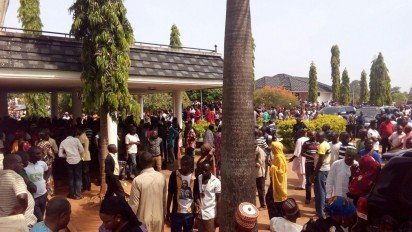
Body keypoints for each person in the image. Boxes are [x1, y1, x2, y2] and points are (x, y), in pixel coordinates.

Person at [129, 151, 166, 232]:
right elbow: (164, 201)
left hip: (142, 222)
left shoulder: (137, 180)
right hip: (159, 219)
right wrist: (164, 215)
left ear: (140, 163)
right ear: (153, 162)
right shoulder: (162, 177)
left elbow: (133, 205)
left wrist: (129, 223)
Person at [0, 154, 37, 231]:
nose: (22, 164)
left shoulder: (2, 176)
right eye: (19, 162)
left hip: (7, 220)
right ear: (10, 164)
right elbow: (22, 196)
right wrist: (22, 209)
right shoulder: (15, 177)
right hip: (22, 222)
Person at [166, 155, 195, 232]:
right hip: (176, 213)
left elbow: (196, 194)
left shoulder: (194, 176)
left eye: (186, 165)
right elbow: (170, 193)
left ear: (190, 165)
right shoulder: (174, 174)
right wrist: (168, 210)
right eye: (182, 165)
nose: (183, 167)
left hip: (190, 213)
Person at [194, 162, 221, 232]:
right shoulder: (198, 178)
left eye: (206, 170)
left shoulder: (216, 182)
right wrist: (198, 203)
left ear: (211, 170)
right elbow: (195, 193)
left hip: (210, 215)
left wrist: (218, 217)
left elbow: (219, 200)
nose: (203, 172)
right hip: (200, 215)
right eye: (202, 170)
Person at [25, 147, 50, 221]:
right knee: (39, 218)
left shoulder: (42, 164)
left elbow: (48, 170)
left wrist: (45, 179)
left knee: (42, 214)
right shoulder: (25, 167)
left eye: (41, 153)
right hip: (33, 197)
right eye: (37, 154)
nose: (40, 155)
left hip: (43, 194)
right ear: (30, 155)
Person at [58, 129, 84, 200]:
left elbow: (60, 155)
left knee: (71, 178)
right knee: (78, 178)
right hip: (77, 160)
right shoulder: (76, 140)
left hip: (69, 161)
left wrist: (67, 156)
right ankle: (78, 195)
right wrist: (77, 154)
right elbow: (82, 150)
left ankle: (71, 194)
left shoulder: (63, 142)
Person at [265, 140, 287, 219]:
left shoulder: (279, 158)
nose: (272, 150)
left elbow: (280, 172)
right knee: (273, 201)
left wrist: (272, 166)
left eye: (273, 148)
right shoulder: (278, 156)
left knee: (271, 201)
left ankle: (275, 220)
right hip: (275, 182)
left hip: (277, 184)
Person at [312, 131, 331, 218]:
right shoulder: (326, 143)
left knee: (320, 192)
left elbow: (320, 161)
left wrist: (314, 174)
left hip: (321, 170)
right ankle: (322, 210)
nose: (316, 138)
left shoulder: (322, 146)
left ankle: (321, 213)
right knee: (323, 191)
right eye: (316, 136)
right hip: (325, 169)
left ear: (323, 137)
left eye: (318, 137)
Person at [301, 131, 318, 204]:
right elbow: (302, 153)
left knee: (317, 181)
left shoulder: (319, 143)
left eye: (313, 135)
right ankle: (308, 198)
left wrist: (316, 159)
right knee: (308, 181)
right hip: (309, 164)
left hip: (317, 165)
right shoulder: (306, 143)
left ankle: (316, 197)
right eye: (310, 135)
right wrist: (312, 157)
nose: (312, 136)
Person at [36, 130, 55, 195]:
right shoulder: (47, 143)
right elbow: (50, 153)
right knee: (49, 176)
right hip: (47, 162)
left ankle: (43, 190)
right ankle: (50, 191)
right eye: (48, 135)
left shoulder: (38, 143)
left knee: (43, 175)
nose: (48, 137)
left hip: (40, 161)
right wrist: (53, 157)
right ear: (46, 136)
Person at [77, 128, 91, 192]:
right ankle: (88, 186)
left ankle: (85, 187)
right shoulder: (84, 136)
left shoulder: (81, 137)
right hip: (87, 156)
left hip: (84, 156)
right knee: (86, 172)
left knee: (84, 172)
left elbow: (81, 148)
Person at [254, 142, 266, 209]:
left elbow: (259, 163)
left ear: (256, 144)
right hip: (253, 173)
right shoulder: (253, 150)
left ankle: (263, 205)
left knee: (260, 189)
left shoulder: (260, 151)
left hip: (259, 174)